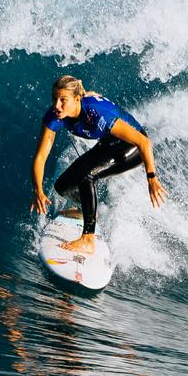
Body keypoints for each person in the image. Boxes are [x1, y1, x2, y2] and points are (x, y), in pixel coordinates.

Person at [30, 75, 167, 253]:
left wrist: (151, 177)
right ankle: (87, 212)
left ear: (77, 99)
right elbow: (40, 157)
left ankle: (88, 239)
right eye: (54, 98)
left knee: (87, 175)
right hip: (108, 143)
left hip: (132, 147)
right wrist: (37, 190)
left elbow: (144, 142)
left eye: (63, 100)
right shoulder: (55, 115)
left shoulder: (96, 112)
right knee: (63, 186)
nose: (57, 105)